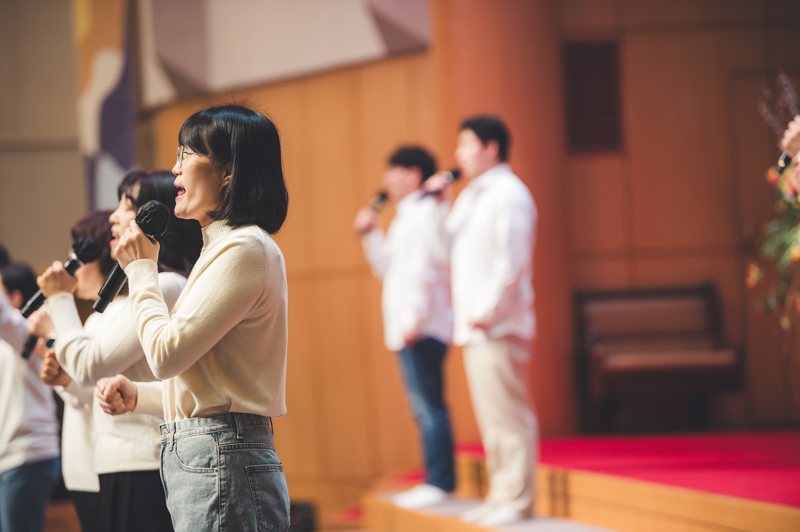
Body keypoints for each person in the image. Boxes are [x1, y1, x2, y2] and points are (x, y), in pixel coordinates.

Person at [95, 105, 291, 532]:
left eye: (187, 154)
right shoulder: (221, 248)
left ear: (228, 171)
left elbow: (165, 356)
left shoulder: (245, 247)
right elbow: (209, 381)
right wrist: (140, 395)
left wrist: (142, 269)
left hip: (223, 451)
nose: (175, 168)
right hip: (209, 448)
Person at [33, 171, 202, 532]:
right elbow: (95, 383)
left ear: (158, 220)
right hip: (117, 460)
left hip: (146, 459)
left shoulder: (167, 285)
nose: (114, 215)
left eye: (128, 204)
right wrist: (66, 380)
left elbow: (89, 366)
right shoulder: (125, 300)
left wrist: (59, 299)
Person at [426, 115, 538, 527]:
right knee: (492, 419)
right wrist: (439, 205)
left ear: (491, 147)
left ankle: (518, 500)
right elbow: (445, 252)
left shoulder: (509, 194)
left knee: (510, 417)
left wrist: (486, 313)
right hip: (476, 326)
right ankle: (500, 494)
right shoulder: (471, 194)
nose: (458, 154)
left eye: (466, 144)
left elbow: (513, 265)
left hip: (498, 324)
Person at [353, 146, 455, 508]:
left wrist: (413, 320)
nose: (387, 179)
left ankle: (440, 482)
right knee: (422, 406)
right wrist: (371, 235)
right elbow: (388, 270)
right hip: (409, 327)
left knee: (429, 406)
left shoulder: (424, 213)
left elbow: (425, 272)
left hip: (421, 327)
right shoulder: (405, 215)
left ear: (413, 174)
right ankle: (437, 480)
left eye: (394, 171)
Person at [0, 263, 61, 532]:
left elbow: (4, 318)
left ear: (14, 298)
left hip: (27, 454)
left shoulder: (28, 333)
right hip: (12, 456)